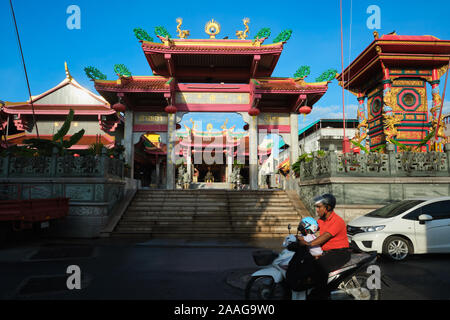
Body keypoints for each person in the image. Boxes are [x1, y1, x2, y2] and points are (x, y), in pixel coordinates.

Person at [296, 193, 350, 300]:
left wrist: (308, 243)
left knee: (318, 268)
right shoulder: (321, 220)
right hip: (327, 252)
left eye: (319, 207)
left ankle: (323, 295)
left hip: (339, 253)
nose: (317, 209)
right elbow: (310, 229)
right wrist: (299, 236)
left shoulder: (337, 221)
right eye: (316, 207)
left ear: (328, 208)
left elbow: (325, 236)